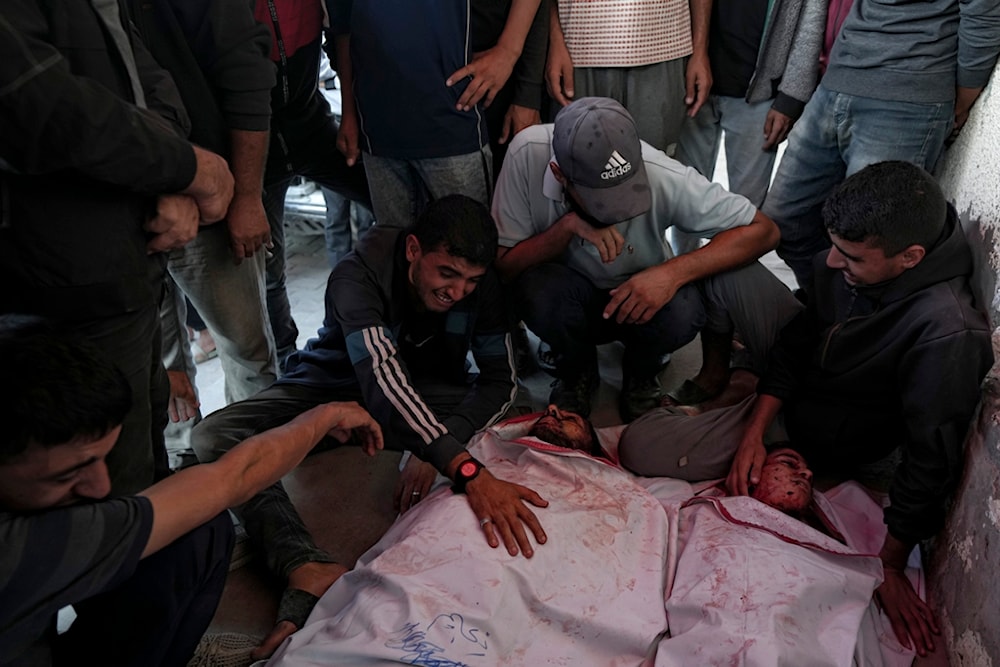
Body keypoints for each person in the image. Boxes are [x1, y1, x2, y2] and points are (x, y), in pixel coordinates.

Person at [619, 161, 993, 658]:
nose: (832, 263)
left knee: (639, 445)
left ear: (911, 257)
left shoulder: (947, 331)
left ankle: (746, 394)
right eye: (833, 247)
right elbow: (798, 337)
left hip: (824, 423)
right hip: (802, 376)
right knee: (729, 269)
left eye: (852, 258)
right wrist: (753, 431)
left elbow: (932, 458)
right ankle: (729, 384)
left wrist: (893, 565)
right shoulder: (863, 249)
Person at [192, 195, 543, 657]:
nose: (457, 292)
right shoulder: (357, 275)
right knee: (213, 436)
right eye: (447, 274)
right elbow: (380, 378)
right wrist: (463, 467)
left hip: (426, 391)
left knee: (528, 412)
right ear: (414, 249)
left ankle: (425, 436)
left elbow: (501, 380)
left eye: (471, 281)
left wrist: (439, 441)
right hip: (334, 387)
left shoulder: (484, 287)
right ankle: (302, 562)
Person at [0, 315, 382, 667]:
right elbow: (233, 478)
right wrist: (323, 417)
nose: (101, 488)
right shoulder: (19, 547)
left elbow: (222, 483)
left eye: (101, 458)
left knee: (197, 528)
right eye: (67, 474)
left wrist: (324, 415)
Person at [0, 0, 235, 495]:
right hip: (64, 288)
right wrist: (187, 170)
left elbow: (151, 86)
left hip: (128, 271)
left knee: (145, 456)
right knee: (105, 488)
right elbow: (35, 104)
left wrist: (167, 178)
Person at [492, 96, 780, 421]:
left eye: (625, 194)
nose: (616, 213)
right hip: (569, 295)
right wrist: (567, 228)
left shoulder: (663, 174)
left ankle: (642, 371)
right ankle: (576, 370)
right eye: (602, 202)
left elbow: (765, 231)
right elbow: (504, 267)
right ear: (559, 175)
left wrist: (671, 273)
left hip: (639, 296)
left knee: (684, 309)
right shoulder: (525, 153)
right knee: (537, 292)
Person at [761, 0, 1000, 291]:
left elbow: (984, 11)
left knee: (872, 243)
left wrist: (965, 96)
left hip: (908, 95)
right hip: (839, 79)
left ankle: (853, 323)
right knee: (784, 223)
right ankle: (829, 312)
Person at [129, 0, 280, 404]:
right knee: (157, 368)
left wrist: (246, 196)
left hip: (209, 193)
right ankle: (182, 458)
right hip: (120, 200)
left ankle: (256, 462)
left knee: (247, 350)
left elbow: (247, 72)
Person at [328, 0, 543, 228]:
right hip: (377, 129)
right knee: (393, 249)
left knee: (466, 248)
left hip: (451, 119)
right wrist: (349, 111)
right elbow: (342, 28)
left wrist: (509, 51)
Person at [257, 0, 374, 371]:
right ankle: (286, 364)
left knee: (395, 207)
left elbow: (341, 43)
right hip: (256, 148)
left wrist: (350, 116)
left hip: (313, 128)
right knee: (267, 267)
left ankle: (384, 330)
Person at [674, 0, 826, 209]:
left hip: (759, 95)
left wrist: (790, 99)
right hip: (693, 83)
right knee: (684, 199)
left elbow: (810, 24)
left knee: (747, 207)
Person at [545, 0, 712, 155]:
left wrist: (700, 50)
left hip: (664, 44)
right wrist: (555, 39)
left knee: (657, 171)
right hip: (577, 48)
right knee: (578, 167)